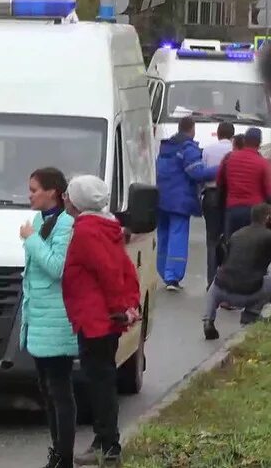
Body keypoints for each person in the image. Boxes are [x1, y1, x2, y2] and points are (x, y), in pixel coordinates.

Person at [61, 175, 141, 466]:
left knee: (101, 383)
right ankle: (102, 440)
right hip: (102, 318)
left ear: (79, 201)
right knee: (102, 379)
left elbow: (108, 271)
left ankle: (110, 447)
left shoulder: (86, 231)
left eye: (68, 195)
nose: (65, 200)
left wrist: (120, 307)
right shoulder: (107, 227)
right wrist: (128, 305)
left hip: (96, 319)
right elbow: (124, 268)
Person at [18, 167, 77, 468]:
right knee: (46, 391)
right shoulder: (40, 220)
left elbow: (56, 267)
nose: (29, 195)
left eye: (34, 189)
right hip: (39, 318)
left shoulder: (66, 224)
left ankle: (64, 457)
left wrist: (30, 240)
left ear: (52, 191)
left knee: (59, 390)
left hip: (57, 320)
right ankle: (56, 452)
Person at [155, 116, 217, 291]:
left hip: (161, 198)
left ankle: (163, 271)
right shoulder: (187, 148)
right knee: (178, 236)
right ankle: (172, 277)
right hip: (180, 200)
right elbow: (197, 172)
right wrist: (221, 168)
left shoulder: (165, 147)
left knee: (164, 236)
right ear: (192, 129)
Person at [203, 203, 271, 339]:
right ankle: (251, 314)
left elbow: (223, 259)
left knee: (215, 285)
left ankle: (208, 319)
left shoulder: (236, 235)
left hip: (223, 290)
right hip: (250, 292)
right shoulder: (268, 236)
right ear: (268, 218)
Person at [216, 127, 271, 239]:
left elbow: (219, 181)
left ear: (245, 141)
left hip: (233, 209)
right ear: (259, 143)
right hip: (255, 212)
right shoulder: (263, 163)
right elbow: (269, 191)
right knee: (255, 247)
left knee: (231, 244)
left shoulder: (229, 158)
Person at [201, 121, 235, 285]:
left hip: (211, 195)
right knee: (228, 239)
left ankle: (211, 280)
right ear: (232, 135)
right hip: (228, 195)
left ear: (218, 133)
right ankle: (225, 278)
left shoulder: (208, 149)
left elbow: (203, 171)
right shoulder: (234, 151)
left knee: (211, 240)